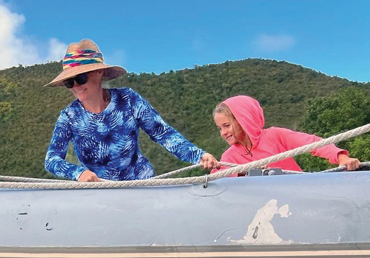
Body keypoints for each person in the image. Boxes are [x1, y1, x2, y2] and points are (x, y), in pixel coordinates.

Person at [44, 39, 219, 181]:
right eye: (69, 82)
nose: (75, 86)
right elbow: (52, 160)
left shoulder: (128, 99)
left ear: (98, 73)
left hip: (140, 186)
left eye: (80, 78)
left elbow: (162, 133)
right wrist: (78, 173)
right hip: (99, 193)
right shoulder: (68, 117)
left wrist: (198, 156)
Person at [213, 95, 360, 174]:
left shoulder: (274, 135)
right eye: (219, 128)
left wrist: (342, 157)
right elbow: (218, 179)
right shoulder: (229, 157)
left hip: (298, 198)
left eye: (227, 126)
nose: (224, 133)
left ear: (244, 120)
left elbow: (314, 143)